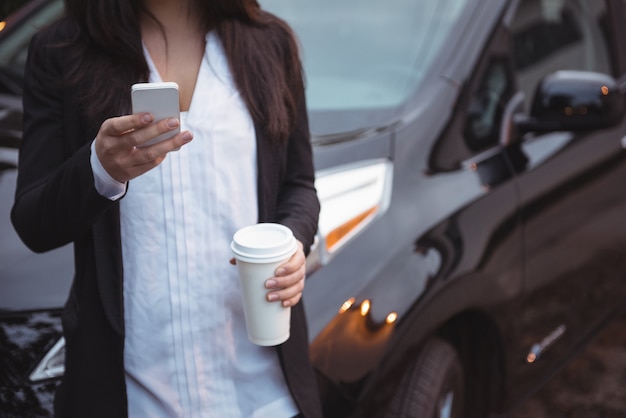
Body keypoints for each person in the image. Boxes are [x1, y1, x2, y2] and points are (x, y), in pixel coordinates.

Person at [11, 0, 322, 417]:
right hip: (132, 396)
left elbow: (299, 185)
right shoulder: (62, 50)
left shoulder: (269, 43)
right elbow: (34, 224)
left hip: (265, 395)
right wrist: (99, 169)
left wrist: (293, 243)